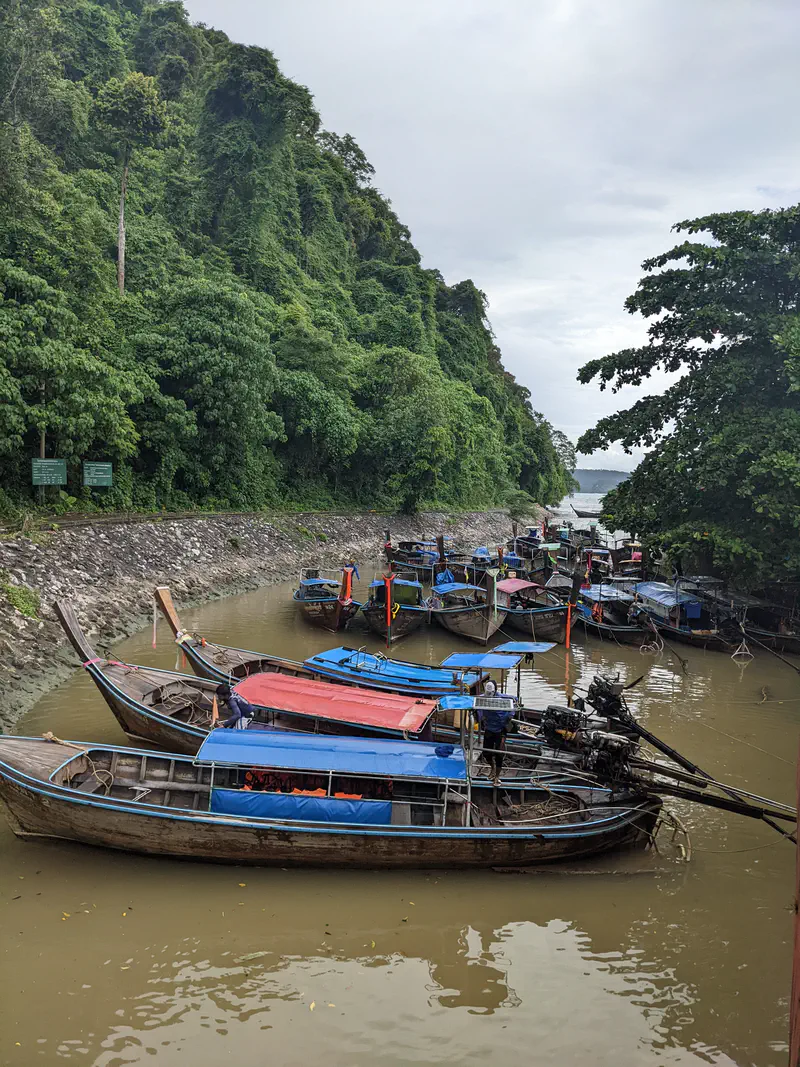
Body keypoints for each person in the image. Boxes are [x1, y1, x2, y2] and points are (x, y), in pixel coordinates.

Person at [478, 683, 514, 782]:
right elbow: (476, 705)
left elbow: (515, 700)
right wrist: (481, 717)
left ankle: (497, 776)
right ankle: (492, 768)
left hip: (501, 730)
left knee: (499, 754)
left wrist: (510, 715)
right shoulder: (482, 698)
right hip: (489, 729)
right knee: (486, 753)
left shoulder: (503, 697)